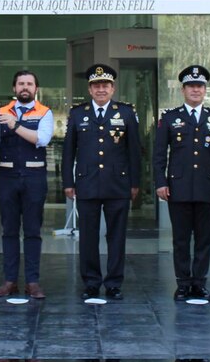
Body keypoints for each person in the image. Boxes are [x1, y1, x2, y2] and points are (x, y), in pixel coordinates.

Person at [152, 65, 210, 302]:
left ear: (205, 90)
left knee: (204, 239)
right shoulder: (169, 118)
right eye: (191, 86)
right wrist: (160, 182)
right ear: (183, 90)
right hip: (179, 187)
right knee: (180, 239)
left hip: (208, 186)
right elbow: (158, 155)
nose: (196, 90)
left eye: (200, 86)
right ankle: (183, 283)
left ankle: (199, 283)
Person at [62, 64, 141, 301]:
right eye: (96, 85)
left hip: (118, 184)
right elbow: (69, 152)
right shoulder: (78, 113)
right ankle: (92, 283)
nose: (101, 90)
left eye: (105, 85)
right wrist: (68, 181)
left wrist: (135, 182)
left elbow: (134, 151)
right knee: (87, 237)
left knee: (116, 236)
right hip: (87, 184)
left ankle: (114, 283)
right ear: (89, 89)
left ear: (113, 88)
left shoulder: (126, 113)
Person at [0, 70, 54, 300]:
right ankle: (9, 281)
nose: (25, 87)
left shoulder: (44, 112)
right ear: (14, 88)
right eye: (21, 83)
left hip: (34, 177)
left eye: (29, 83)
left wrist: (15, 125)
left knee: (32, 231)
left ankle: (32, 282)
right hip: (6, 176)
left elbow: (42, 139)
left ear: (36, 88)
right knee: (8, 230)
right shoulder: (0, 112)